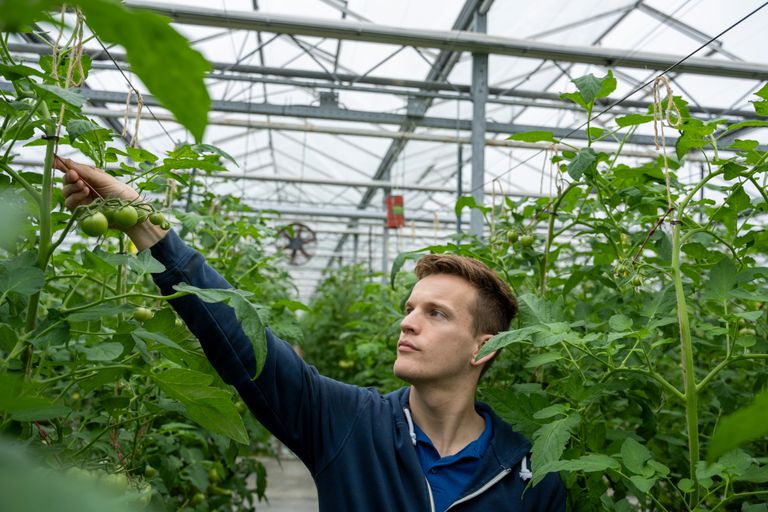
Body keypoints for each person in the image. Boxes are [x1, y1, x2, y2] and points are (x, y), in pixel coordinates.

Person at [56, 157, 566, 511]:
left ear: (484, 347)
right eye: (410, 308)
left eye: (437, 314)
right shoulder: (349, 423)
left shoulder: (530, 471)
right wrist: (144, 224)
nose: (408, 321)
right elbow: (244, 345)